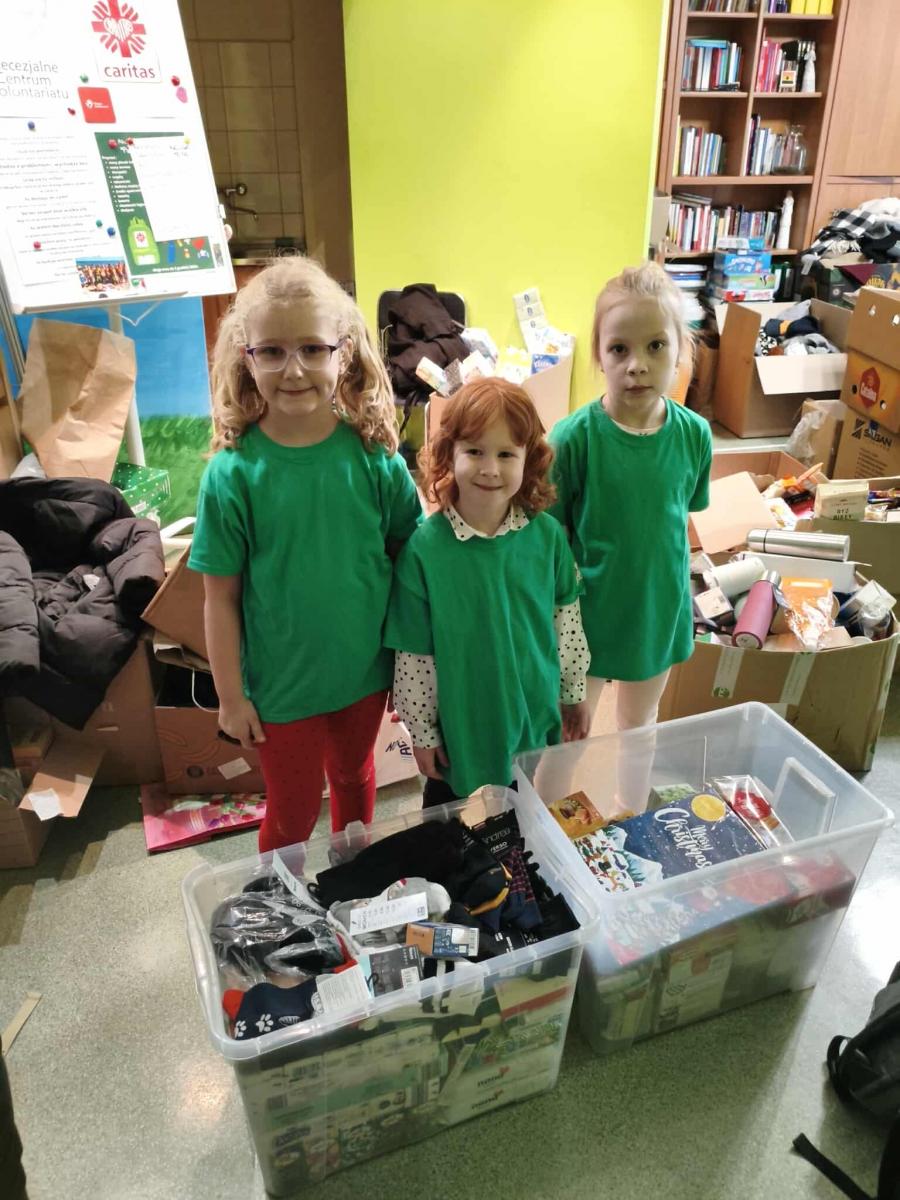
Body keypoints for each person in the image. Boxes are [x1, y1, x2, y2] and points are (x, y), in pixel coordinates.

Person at [189, 256, 422, 852]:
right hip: (280, 690)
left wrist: (411, 669)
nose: (293, 370)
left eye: (313, 349)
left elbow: (411, 568)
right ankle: (277, 904)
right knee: (291, 816)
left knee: (354, 778)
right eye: (272, 351)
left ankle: (353, 881)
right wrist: (230, 698)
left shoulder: (376, 461)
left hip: (365, 675)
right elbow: (220, 599)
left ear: (344, 352)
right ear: (246, 357)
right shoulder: (232, 476)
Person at [547, 262, 711, 805]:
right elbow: (551, 537)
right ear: (599, 355)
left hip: (656, 612)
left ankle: (631, 816)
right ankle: (539, 833)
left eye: (655, 346)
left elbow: (678, 519)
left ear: (681, 350)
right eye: (619, 349)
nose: (637, 365)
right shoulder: (573, 439)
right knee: (568, 735)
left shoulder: (694, 435)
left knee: (640, 726)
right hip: (586, 620)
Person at [385, 377, 591, 806]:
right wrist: (422, 734)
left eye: (506, 454)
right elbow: (414, 658)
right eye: (475, 451)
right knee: (446, 827)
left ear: (528, 459)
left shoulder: (548, 537)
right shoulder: (425, 551)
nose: (490, 468)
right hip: (460, 729)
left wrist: (573, 693)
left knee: (515, 816)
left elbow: (566, 625)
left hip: (530, 718)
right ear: (449, 453)